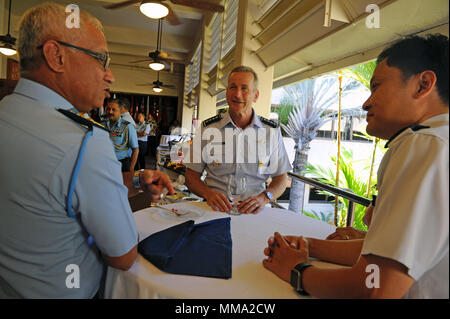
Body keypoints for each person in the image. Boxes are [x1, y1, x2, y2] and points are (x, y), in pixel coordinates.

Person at [0, 2, 174, 298]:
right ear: (56, 56)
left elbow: (60, 194)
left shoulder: (7, 111)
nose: (110, 76)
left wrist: (133, 180)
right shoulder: (84, 140)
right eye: (101, 59)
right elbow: (123, 254)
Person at [263, 34, 449, 298]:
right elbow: (386, 257)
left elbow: (374, 287)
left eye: (377, 86)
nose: (365, 103)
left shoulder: (424, 145)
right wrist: (308, 245)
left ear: (423, 85)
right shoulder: (438, 141)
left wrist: (297, 270)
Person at [184, 66, 292, 214]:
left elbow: (281, 179)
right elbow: (191, 177)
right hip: (213, 210)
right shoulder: (208, 128)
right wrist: (209, 194)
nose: (237, 94)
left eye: (244, 88)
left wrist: (265, 197)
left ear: (256, 95)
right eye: (232, 87)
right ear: (227, 93)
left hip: (255, 212)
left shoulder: (271, 132)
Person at [102, 98, 139, 172]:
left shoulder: (128, 126)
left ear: (120, 111)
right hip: (104, 162)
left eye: (113, 109)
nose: (110, 112)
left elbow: (135, 149)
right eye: (108, 109)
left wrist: (131, 169)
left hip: (121, 164)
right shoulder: (101, 125)